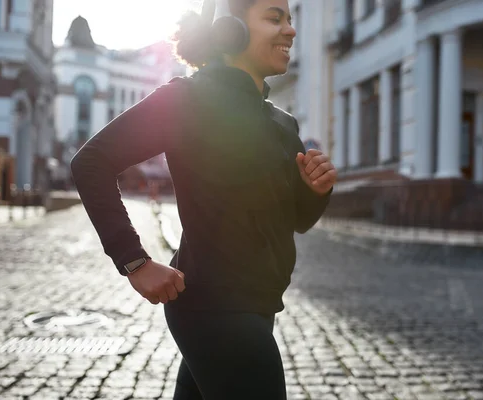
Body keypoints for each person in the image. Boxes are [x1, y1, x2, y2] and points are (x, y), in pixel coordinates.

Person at [71, 0, 337, 398]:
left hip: (260, 309)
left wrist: (316, 191)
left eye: (290, 19)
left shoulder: (283, 124)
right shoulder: (186, 99)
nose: (291, 30)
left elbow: (296, 220)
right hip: (214, 310)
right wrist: (134, 262)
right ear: (230, 28)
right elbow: (90, 162)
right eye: (274, 17)